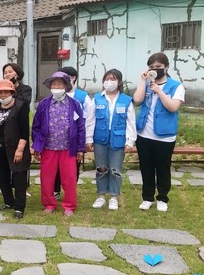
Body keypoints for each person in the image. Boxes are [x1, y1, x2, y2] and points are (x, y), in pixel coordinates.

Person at [132, 52, 185, 212]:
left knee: (163, 168)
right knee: (146, 168)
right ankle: (147, 197)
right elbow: (137, 100)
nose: (155, 69)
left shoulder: (176, 86)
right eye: (151, 67)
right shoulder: (147, 83)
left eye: (158, 67)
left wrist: (159, 91)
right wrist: (143, 81)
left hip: (165, 136)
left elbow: (173, 107)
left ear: (166, 67)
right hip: (144, 134)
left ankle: (162, 198)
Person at [31, 71, 85, 216]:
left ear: (66, 86)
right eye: (54, 84)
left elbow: (80, 126)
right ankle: (49, 204)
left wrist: (80, 148)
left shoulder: (74, 104)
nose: (56, 87)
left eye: (60, 84)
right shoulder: (43, 104)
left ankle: (69, 206)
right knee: (47, 178)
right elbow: (36, 126)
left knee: (69, 178)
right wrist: (37, 146)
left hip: (69, 148)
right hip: (48, 147)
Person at [87, 69, 136, 210]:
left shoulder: (126, 100)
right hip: (100, 139)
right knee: (101, 168)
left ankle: (114, 196)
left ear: (119, 82)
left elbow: (131, 122)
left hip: (118, 140)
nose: (109, 82)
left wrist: (130, 141)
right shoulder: (97, 98)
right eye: (107, 79)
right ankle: (101, 196)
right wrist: (88, 139)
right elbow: (90, 120)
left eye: (113, 79)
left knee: (115, 169)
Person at [0, 79, 31, 219]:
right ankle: (9, 202)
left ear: (12, 93)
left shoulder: (20, 107)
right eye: (0, 92)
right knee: (2, 176)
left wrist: (20, 150)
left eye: (6, 92)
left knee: (19, 177)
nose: (3, 95)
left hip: (15, 147)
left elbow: (24, 131)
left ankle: (19, 207)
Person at [54, 66, 95, 199]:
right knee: (56, 166)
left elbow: (89, 119)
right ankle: (55, 190)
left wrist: (87, 139)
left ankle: (70, 191)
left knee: (73, 167)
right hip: (57, 138)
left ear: (73, 78)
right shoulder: (56, 94)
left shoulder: (83, 97)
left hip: (75, 138)